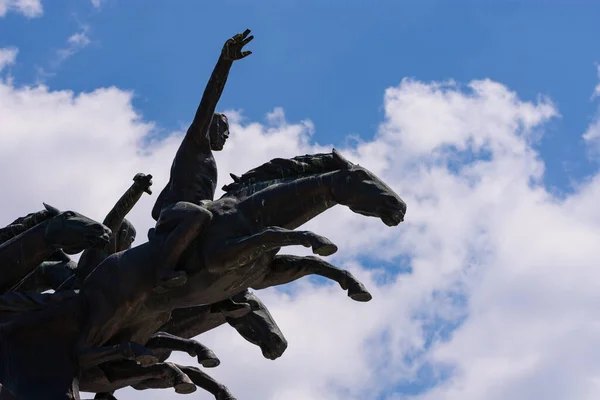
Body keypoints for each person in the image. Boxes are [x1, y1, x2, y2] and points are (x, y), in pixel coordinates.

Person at [150, 29, 253, 308]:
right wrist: (225, 62)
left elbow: (155, 207)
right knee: (198, 216)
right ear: (209, 126)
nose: (227, 135)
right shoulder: (195, 143)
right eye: (224, 128)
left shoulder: (204, 162)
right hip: (183, 216)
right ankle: (162, 270)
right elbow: (209, 100)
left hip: (185, 215)